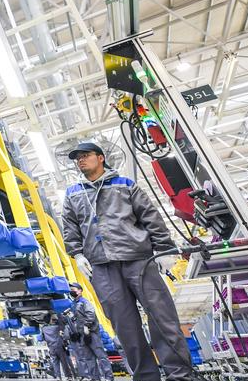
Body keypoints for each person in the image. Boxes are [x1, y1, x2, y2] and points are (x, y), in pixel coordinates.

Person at [62, 142, 194, 381]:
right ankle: (145, 377)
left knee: (162, 317)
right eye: (77, 158)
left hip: (138, 260)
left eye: (85, 155)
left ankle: (181, 375)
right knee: (125, 328)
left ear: (101, 158)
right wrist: (77, 253)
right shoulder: (73, 194)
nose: (80, 160)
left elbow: (150, 216)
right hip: (101, 266)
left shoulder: (126, 185)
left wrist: (164, 249)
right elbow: (70, 227)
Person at [69, 283, 114, 381]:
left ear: (80, 291)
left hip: (91, 333)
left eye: (73, 289)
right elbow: (75, 319)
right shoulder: (73, 304)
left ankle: (109, 377)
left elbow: (90, 314)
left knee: (101, 356)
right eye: (70, 289)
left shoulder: (85, 302)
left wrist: (87, 326)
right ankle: (95, 378)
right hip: (81, 335)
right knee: (89, 358)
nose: (71, 291)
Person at [41, 314, 75, 380]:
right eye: (52, 319)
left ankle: (58, 377)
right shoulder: (56, 327)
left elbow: (43, 338)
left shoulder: (43, 328)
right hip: (59, 347)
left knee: (55, 363)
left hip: (51, 348)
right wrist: (59, 316)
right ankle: (69, 376)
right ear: (50, 320)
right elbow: (63, 324)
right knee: (64, 362)